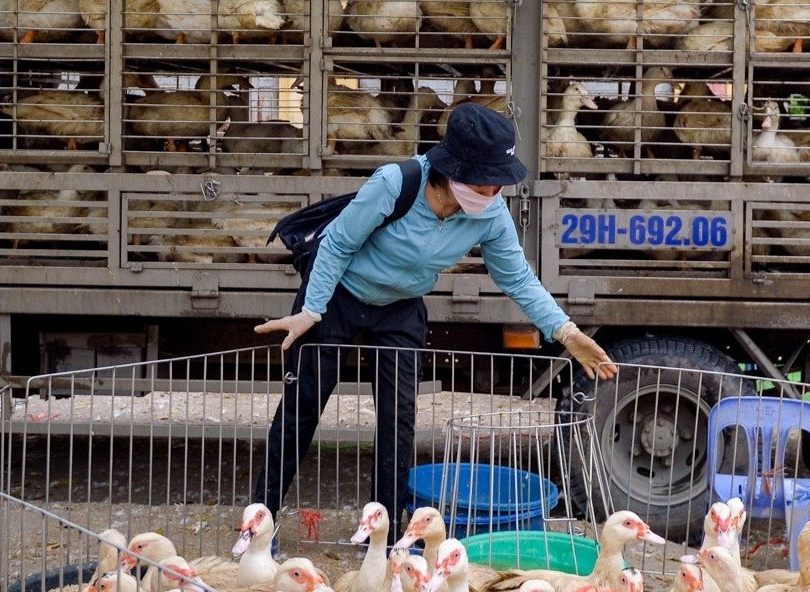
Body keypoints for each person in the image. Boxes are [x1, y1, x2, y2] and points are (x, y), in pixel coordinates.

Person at [252, 103, 616, 542]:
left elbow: (517, 278)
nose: (497, 190)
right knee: (300, 411)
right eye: (489, 178)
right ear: (455, 171)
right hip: (337, 297)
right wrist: (311, 311)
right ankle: (261, 523)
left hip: (401, 306)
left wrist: (567, 332)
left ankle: (383, 538)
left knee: (398, 424)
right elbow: (337, 245)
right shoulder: (395, 183)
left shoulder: (490, 213)